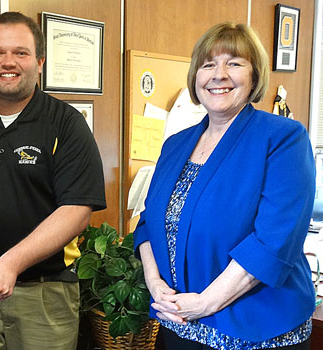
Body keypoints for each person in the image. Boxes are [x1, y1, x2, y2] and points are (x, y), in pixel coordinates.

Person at [134, 22, 315, 349]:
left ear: (254, 75)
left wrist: (206, 303)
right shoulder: (176, 144)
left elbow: (273, 241)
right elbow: (147, 223)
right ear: (196, 77)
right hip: (178, 323)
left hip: (256, 331)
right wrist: (155, 284)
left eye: (234, 63)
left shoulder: (283, 138)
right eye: (208, 64)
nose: (219, 74)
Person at [0, 11, 106, 350]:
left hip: (44, 293)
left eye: (20, 53)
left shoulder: (66, 124)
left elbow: (76, 211)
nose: (7, 62)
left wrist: (9, 264)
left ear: (40, 61)